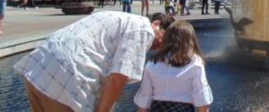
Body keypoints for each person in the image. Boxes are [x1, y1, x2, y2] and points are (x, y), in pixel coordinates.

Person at [13, 11, 175, 112]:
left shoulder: (120, 18)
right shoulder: (143, 29)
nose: (160, 47)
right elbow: (118, 78)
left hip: (39, 68)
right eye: (164, 40)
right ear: (156, 23)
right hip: (66, 80)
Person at [134, 21, 213, 112]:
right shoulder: (195, 63)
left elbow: (144, 98)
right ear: (190, 40)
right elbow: (201, 97)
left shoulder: (152, 62)